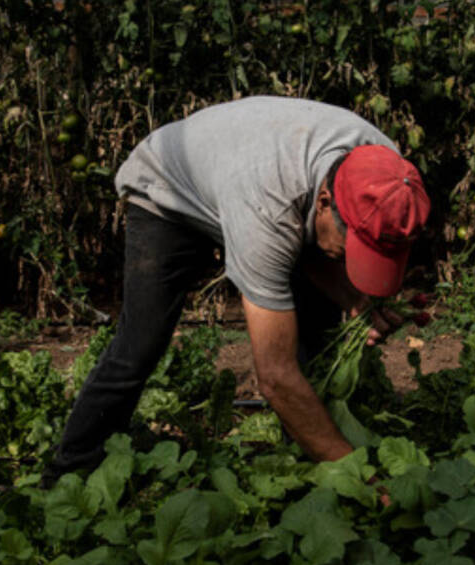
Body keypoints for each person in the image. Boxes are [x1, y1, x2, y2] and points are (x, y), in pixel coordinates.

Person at [47, 95, 430, 477]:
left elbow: (325, 242)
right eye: (354, 246)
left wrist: (355, 299)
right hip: (169, 192)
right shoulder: (269, 212)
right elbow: (275, 378)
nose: (352, 259)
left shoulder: (389, 177)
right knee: (140, 344)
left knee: (318, 332)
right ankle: (71, 469)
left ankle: (302, 457)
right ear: (325, 202)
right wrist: (358, 476)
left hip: (258, 181)